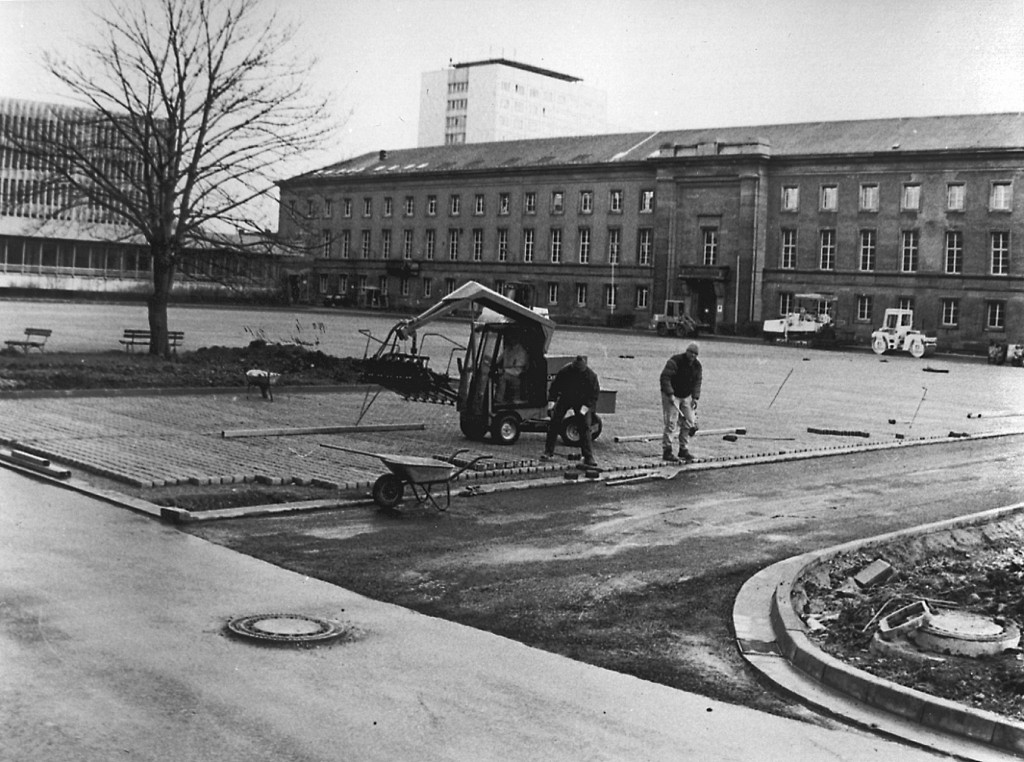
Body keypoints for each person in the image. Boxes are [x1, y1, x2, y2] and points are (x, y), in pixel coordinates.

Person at [541, 355, 600, 468]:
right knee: (554, 422)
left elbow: (594, 394)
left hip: (582, 401)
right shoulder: (566, 371)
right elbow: (555, 387)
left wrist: (585, 408)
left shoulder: (591, 376)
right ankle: (548, 452)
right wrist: (551, 403)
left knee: (585, 427)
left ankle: (588, 456)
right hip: (566, 398)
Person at [660, 342, 702, 463]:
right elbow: (665, 377)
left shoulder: (697, 366)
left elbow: (697, 382)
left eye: (695, 354)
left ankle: (683, 449)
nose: (693, 355)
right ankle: (667, 450)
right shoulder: (675, 361)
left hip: (685, 395)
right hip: (671, 394)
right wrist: (670, 394)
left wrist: (695, 397)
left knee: (689, 421)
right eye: (691, 352)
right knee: (671, 423)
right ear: (687, 351)